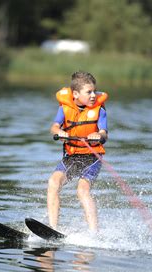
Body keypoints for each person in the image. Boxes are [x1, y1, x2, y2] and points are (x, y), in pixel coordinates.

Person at [47, 71, 108, 232]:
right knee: (53, 183)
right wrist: (58, 132)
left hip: (92, 157)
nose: (94, 95)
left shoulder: (99, 110)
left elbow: (104, 132)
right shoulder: (64, 108)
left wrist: (98, 135)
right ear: (75, 94)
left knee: (82, 190)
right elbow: (54, 127)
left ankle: (94, 233)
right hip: (72, 156)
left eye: (94, 91)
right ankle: (52, 228)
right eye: (89, 92)